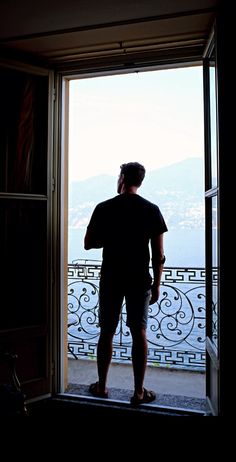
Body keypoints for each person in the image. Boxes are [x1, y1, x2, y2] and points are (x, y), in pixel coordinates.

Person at [84, 162, 168, 405]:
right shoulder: (151, 209)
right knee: (139, 333)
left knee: (106, 332)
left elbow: (89, 243)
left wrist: (112, 237)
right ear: (139, 181)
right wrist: (157, 285)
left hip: (111, 278)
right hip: (139, 279)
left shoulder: (104, 208)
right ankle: (139, 392)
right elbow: (158, 254)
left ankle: (101, 386)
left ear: (121, 178)